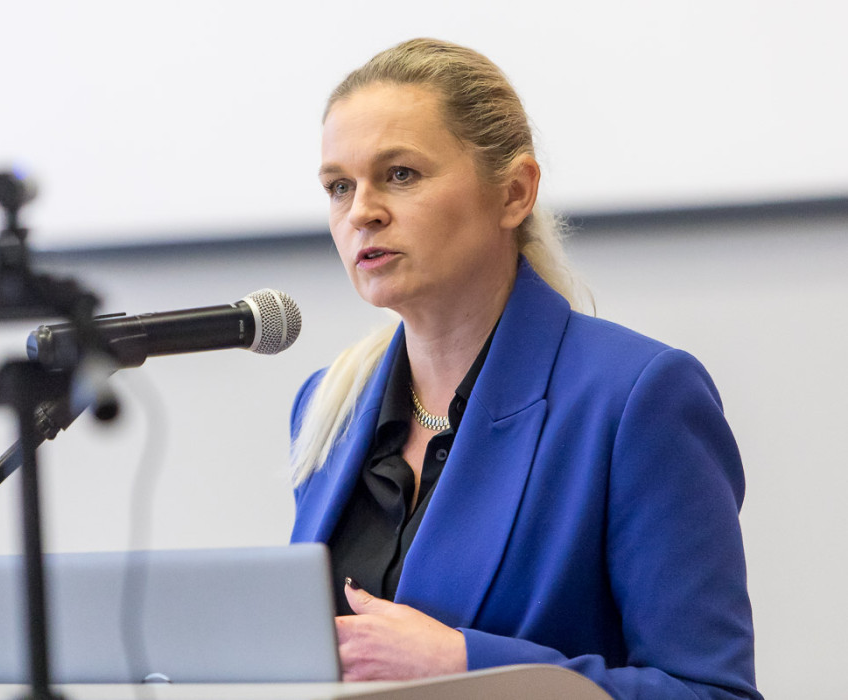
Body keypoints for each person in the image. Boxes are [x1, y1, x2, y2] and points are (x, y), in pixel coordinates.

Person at [288, 38, 761, 699]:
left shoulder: (637, 397)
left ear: (514, 193)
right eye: (340, 186)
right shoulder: (328, 407)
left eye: (401, 174)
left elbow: (710, 692)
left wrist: (463, 662)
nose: (361, 211)